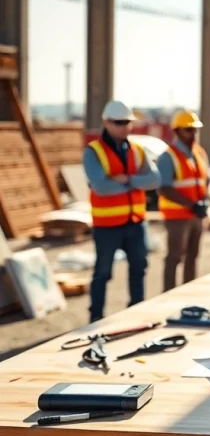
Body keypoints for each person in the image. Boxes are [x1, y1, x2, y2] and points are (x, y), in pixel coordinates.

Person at [82, 100, 162, 322]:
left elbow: (155, 179)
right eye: (118, 123)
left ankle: (136, 314)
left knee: (139, 268)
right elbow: (101, 186)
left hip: (135, 223)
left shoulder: (137, 150)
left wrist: (127, 179)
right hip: (107, 226)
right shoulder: (93, 152)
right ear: (106, 122)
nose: (124, 127)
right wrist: (137, 182)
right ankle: (96, 318)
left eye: (127, 122)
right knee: (102, 273)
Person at [156, 109, 210, 292]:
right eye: (189, 130)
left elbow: (207, 180)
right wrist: (192, 205)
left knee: (192, 256)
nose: (193, 134)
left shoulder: (199, 153)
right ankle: (168, 295)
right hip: (177, 216)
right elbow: (163, 187)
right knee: (174, 257)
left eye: (195, 130)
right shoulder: (168, 156)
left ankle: (188, 294)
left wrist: (205, 201)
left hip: (197, 214)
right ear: (177, 131)